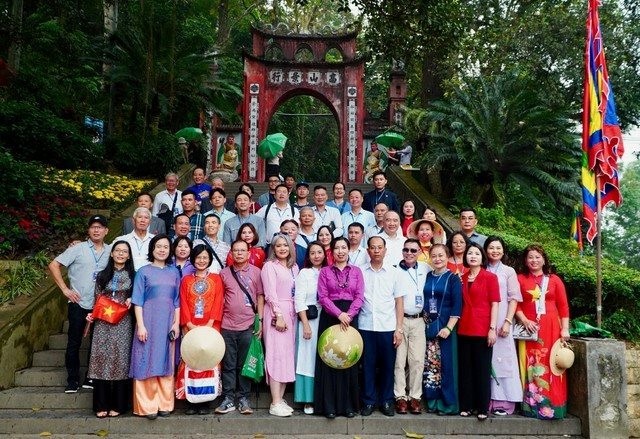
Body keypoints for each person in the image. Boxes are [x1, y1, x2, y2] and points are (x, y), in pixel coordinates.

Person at [49, 214, 111, 393]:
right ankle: (72, 380)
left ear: (106, 231)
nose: (96, 230)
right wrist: (64, 289)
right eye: (93, 227)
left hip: (100, 304)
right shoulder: (78, 248)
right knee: (74, 342)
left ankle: (91, 377)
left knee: (97, 342)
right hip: (78, 303)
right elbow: (54, 265)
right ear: (88, 230)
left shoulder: (110, 250)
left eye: (100, 227)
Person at [129, 234, 181, 420]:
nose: (162, 250)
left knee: (166, 359)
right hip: (148, 321)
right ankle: (147, 405)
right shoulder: (143, 272)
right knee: (146, 359)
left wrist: (176, 323)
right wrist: (140, 326)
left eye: (166, 247)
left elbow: (177, 301)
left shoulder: (174, 272)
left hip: (168, 321)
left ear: (170, 250)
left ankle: (165, 403)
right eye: (158, 246)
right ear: (152, 249)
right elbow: (137, 301)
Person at [516, 244, 570, 420]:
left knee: (551, 365)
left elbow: (563, 306)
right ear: (525, 260)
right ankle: (532, 406)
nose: (534, 260)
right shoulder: (520, 279)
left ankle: (553, 406)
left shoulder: (554, 280)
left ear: (544, 259)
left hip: (552, 329)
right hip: (529, 329)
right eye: (530, 257)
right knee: (531, 364)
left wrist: (565, 329)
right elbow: (514, 304)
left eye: (537, 257)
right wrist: (524, 320)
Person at [315, 237, 365, 419]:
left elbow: (360, 296)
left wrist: (349, 315)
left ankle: (348, 406)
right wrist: (339, 314)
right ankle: (328, 406)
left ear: (348, 251)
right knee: (329, 359)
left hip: (351, 317)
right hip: (330, 316)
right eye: (337, 248)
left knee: (348, 358)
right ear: (332, 251)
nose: (341, 251)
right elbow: (323, 296)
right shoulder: (325, 272)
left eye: (344, 247)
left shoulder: (357, 271)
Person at [85, 240, 134, 418]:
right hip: (103, 322)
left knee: (120, 360)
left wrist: (131, 299)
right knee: (100, 359)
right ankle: (100, 405)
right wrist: (91, 314)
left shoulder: (134, 276)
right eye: (118, 250)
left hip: (123, 322)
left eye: (124, 251)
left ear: (129, 256)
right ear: (112, 253)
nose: (121, 254)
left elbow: (137, 298)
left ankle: (119, 405)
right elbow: (97, 298)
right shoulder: (102, 275)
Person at [217, 239, 265, 415]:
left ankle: (243, 398)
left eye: (242, 250)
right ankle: (228, 398)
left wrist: (259, 320)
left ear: (249, 253)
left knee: (245, 364)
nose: (239, 253)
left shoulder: (257, 272)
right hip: (227, 324)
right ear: (231, 253)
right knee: (229, 364)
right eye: (235, 250)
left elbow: (260, 296)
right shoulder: (224, 273)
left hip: (248, 324)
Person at [360, 235, 404, 417]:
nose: (376, 250)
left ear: (385, 251)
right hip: (365, 326)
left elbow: (399, 302)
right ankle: (368, 402)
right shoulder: (360, 271)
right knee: (367, 366)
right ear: (368, 250)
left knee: (388, 366)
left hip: (387, 326)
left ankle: (387, 401)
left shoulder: (394, 273)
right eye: (373, 247)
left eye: (380, 247)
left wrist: (399, 329)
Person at [178, 244, 224, 415]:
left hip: (211, 326)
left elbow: (219, 301)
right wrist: (189, 324)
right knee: (192, 361)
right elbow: (182, 302)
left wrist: (210, 324)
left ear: (210, 259)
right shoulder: (186, 280)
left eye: (205, 257)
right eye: (198, 257)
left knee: (209, 361)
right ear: (193, 259)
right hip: (190, 326)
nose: (202, 260)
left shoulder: (216, 278)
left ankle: (206, 401)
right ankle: (192, 401)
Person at [457, 242, 500, 421]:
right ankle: (467, 405)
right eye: (470, 254)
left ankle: (482, 406)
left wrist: (492, 328)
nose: (473, 256)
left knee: (482, 370)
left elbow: (495, 304)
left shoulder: (490, 277)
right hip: (464, 328)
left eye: (476, 253)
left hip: (482, 329)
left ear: (482, 257)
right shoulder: (463, 277)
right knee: (465, 370)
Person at [261, 233, 299, 417]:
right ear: (273, 249)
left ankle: (280, 398)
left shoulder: (294, 268)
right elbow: (270, 294)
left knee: (286, 357)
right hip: (277, 313)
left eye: (285, 245)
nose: (282, 248)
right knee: (275, 355)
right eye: (278, 246)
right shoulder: (269, 266)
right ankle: (274, 401)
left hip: (292, 313)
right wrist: (278, 315)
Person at [484, 236, 523, 416]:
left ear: (503, 250)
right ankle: (488, 398)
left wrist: (508, 321)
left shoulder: (509, 271)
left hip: (502, 320)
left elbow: (514, 298)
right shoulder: (481, 269)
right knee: (487, 359)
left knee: (504, 361)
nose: (495, 251)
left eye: (498, 248)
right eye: (491, 248)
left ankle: (505, 401)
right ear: (486, 250)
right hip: (485, 319)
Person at [423, 243, 462, 415]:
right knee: (431, 365)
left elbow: (457, 305)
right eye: (434, 256)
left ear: (447, 257)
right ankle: (432, 401)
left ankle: (448, 403)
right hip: (429, 326)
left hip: (447, 327)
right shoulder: (427, 276)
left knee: (447, 365)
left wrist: (449, 327)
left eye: (441, 256)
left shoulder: (453, 278)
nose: (437, 259)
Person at [393, 238, 430, 415]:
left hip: (418, 320)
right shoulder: (394, 270)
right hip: (399, 319)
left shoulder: (425, 269)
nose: (409, 253)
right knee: (400, 361)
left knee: (416, 360)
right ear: (402, 251)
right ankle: (400, 397)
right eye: (406, 250)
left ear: (420, 252)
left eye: (413, 250)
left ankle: (415, 397)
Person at [294, 241, 328, 415]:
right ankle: (308, 399)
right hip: (309, 319)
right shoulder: (305, 273)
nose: (316, 256)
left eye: (319, 252)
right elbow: (298, 299)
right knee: (307, 359)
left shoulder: (329, 272)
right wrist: (305, 323)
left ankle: (323, 397)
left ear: (324, 254)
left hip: (327, 319)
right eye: (312, 253)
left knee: (324, 357)